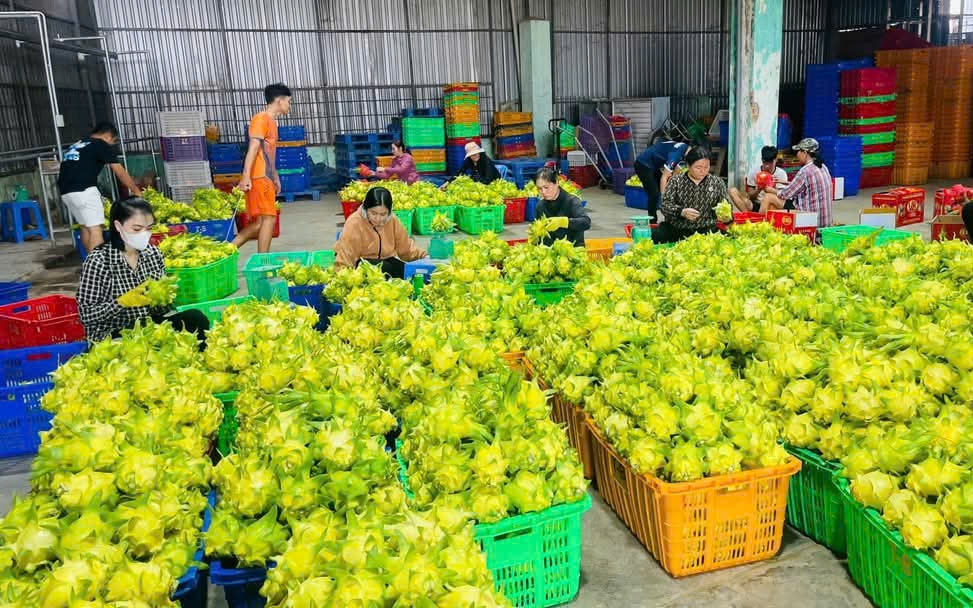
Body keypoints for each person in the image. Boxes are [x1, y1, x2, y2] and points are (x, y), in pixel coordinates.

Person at [76, 198, 209, 344]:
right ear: (118, 226)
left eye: (149, 228)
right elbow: (86, 315)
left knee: (196, 318)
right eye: (137, 229)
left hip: (149, 325)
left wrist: (163, 295)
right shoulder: (99, 260)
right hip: (114, 333)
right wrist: (121, 302)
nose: (144, 234)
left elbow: (162, 309)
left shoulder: (153, 253)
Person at [58, 122, 142, 254]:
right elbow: (119, 171)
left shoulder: (77, 145)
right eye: (113, 141)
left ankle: (90, 264)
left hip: (66, 193)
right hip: (84, 190)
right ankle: (99, 269)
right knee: (96, 229)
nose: (112, 145)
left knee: (85, 227)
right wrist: (136, 190)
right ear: (108, 136)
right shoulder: (101, 144)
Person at [234, 83, 291, 254]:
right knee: (269, 219)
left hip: (265, 177)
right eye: (288, 101)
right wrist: (245, 177)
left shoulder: (272, 123)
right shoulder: (261, 119)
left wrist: (275, 176)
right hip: (258, 176)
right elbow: (253, 147)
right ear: (279, 101)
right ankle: (263, 264)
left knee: (259, 223)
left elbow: (269, 153)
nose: (289, 105)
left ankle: (224, 251)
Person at [334, 187, 426, 279]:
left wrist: (424, 257)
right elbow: (346, 255)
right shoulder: (354, 223)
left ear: (389, 212)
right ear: (366, 209)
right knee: (385, 268)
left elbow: (406, 248)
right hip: (359, 263)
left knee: (408, 272)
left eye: (383, 214)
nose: (378, 219)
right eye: (373, 213)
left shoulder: (392, 220)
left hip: (385, 260)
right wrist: (342, 278)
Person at [655, 147, 728, 244]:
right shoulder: (676, 181)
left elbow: (725, 204)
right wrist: (681, 212)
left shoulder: (717, 182)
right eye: (698, 168)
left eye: (706, 167)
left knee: (730, 240)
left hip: (706, 230)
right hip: (678, 229)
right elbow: (664, 206)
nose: (703, 171)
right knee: (656, 236)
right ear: (688, 166)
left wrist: (726, 215)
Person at [774, 138, 834, 228]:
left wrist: (772, 189)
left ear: (805, 153)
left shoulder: (805, 171)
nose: (797, 155)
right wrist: (786, 182)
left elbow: (785, 194)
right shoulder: (823, 167)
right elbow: (807, 185)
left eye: (798, 152)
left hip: (812, 222)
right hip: (825, 222)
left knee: (770, 197)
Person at [533, 167, 591, 247]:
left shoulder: (571, 201)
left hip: (573, 251)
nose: (543, 192)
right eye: (539, 189)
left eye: (546, 187)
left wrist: (563, 222)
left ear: (556, 183)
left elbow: (586, 222)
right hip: (549, 254)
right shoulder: (540, 206)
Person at [634, 140, 690, 222]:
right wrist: (664, 199)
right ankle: (652, 221)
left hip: (654, 164)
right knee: (654, 194)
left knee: (668, 190)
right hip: (643, 164)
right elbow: (664, 177)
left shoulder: (684, 147)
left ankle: (669, 218)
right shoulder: (676, 155)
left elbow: (676, 170)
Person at [729, 145, 790, 213]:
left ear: (775, 160)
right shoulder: (754, 171)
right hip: (756, 204)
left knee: (768, 197)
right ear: (762, 160)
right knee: (732, 191)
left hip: (773, 206)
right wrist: (758, 189)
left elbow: (783, 198)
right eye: (765, 163)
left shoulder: (781, 173)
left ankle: (761, 221)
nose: (767, 166)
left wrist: (772, 189)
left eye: (770, 163)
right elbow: (750, 196)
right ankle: (748, 217)